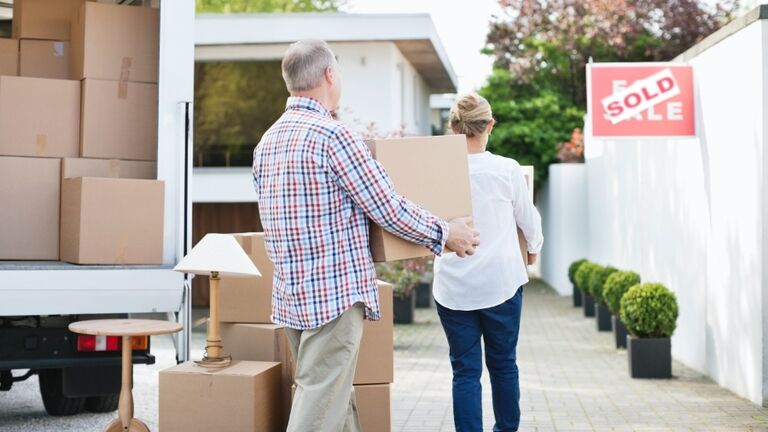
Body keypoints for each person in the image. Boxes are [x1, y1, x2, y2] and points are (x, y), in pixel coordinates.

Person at [252, 39, 480, 432]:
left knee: (332, 398)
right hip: (333, 296)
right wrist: (447, 233)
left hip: (292, 295)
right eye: (338, 70)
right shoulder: (333, 136)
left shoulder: (266, 142)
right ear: (328, 74)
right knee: (319, 404)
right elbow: (387, 207)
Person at [433, 93, 543, 432]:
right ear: (489, 126)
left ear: (452, 127)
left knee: (465, 371)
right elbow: (530, 223)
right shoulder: (506, 170)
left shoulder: (436, 172)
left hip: (453, 289)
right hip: (501, 285)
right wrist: (533, 249)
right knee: (504, 365)